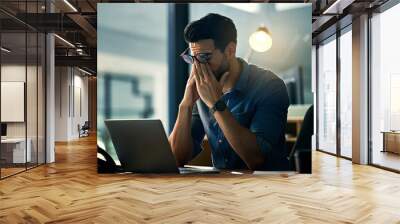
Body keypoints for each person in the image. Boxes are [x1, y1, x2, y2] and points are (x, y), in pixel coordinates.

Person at [168, 13, 290, 170]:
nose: (198, 67)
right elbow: (176, 158)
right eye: (193, 59)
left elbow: (258, 160)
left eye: (204, 57)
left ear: (230, 50)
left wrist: (216, 103)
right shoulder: (202, 91)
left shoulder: (270, 86)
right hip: (223, 187)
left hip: (267, 187)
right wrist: (186, 104)